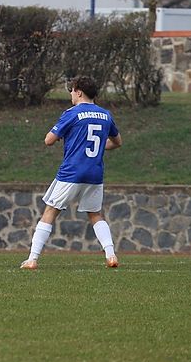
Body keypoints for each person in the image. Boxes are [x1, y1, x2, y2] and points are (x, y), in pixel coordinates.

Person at [20, 75, 122, 271]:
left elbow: (48, 140)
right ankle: (111, 255)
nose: (71, 94)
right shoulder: (106, 115)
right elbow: (117, 142)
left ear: (79, 92)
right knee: (95, 215)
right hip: (95, 174)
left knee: (50, 211)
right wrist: (97, 148)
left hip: (72, 172)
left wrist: (64, 137)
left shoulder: (72, 113)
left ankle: (32, 259)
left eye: (72, 91)